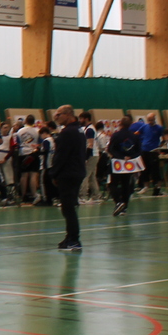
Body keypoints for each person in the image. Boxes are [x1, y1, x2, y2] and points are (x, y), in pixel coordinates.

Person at [51, 105, 88, 252]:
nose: (56, 117)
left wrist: (54, 173)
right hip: (76, 171)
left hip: (68, 173)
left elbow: (61, 155)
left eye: (58, 114)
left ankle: (74, 239)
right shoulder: (79, 130)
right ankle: (70, 237)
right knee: (69, 207)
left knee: (68, 208)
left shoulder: (67, 132)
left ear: (68, 115)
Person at [107, 116, 143, 217]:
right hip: (129, 164)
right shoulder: (135, 136)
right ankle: (124, 208)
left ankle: (118, 202)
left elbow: (110, 149)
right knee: (126, 184)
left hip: (117, 163)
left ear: (120, 124)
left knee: (112, 184)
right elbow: (139, 150)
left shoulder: (116, 135)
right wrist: (130, 156)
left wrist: (121, 156)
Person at [79, 112, 101, 204]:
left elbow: (90, 144)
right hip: (94, 155)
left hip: (91, 155)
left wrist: (86, 157)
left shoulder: (90, 130)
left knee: (85, 175)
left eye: (81, 118)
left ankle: (82, 196)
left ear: (86, 119)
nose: (80, 120)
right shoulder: (88, 129)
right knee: (92, 176)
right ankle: (96, 196)